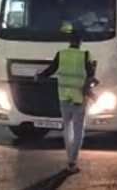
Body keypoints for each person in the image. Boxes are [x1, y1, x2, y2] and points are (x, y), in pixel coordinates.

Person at [35, 31, 95, 174]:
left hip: (63, 97)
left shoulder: (61, 54)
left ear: (69, 41)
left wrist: (39, 76)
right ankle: (73, 161)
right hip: (79, 98)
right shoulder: (85, 55)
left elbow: (51, 70)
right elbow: (91, 76)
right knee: (78, 130)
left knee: (67, 130)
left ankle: (69, 159)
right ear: (80, 42)